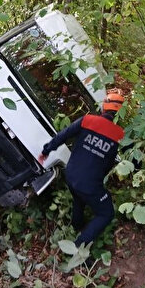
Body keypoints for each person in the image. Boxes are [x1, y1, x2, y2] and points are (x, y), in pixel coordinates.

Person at [37, 92, 125, 247]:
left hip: (71, 175)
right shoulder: (119, 135)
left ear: (104, 106)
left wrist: (46, 151)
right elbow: (121, 158)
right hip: (90, 182)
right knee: (106, 213)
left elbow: (63, 135)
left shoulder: (87, 120)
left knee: (79, 198)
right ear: (119, 112)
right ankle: (79, 246)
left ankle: (76, 226)